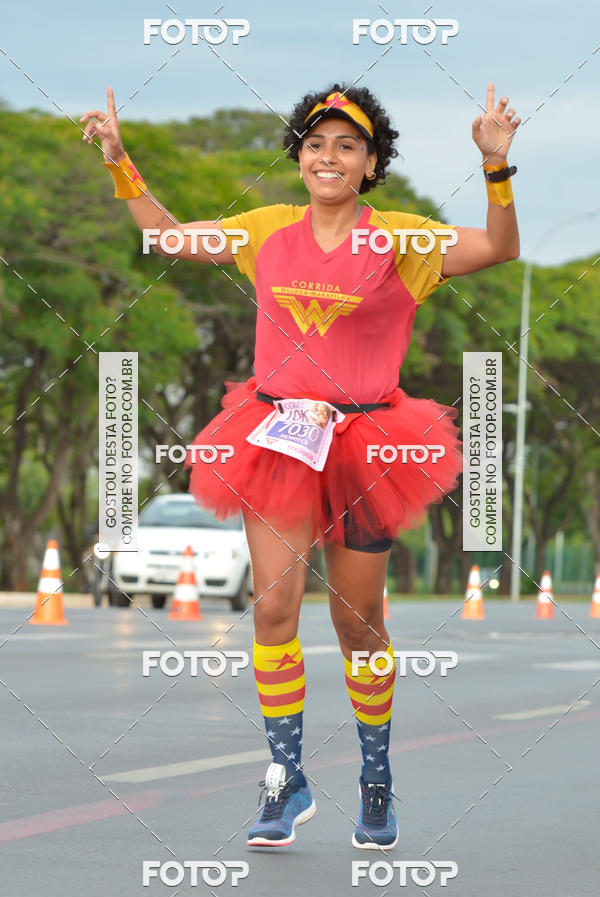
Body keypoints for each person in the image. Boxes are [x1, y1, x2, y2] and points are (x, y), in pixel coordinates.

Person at [81, 81, 520, 850]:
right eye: (316, 144)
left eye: (347, 146)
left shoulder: (404, 240)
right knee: (274, 610)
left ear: (371, 163)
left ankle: (375, 779)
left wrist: (495, 166)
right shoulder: (266, 229)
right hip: (279, 438)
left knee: (358, 624)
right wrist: (120, 161)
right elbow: (170, 236)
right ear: (299, 156)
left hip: (370, 445)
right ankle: (286, 781)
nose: (329, 157)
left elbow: (498, 248)